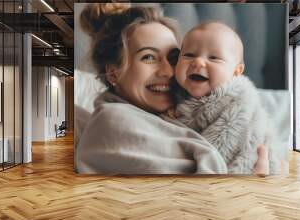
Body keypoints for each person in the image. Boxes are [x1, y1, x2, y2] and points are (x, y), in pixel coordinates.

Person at [76, 3, 228, 174]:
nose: (168, 71)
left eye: (173, 58)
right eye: (148, 57)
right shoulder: (113, 121)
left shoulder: (188, 113)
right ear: (113, 73)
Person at [172, 22, 283, 175]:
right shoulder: (172, 96)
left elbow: (220, 152)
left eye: (214, 57)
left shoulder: (238, 103)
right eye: (188, 55)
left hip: (246, 165)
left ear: (236, 72)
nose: (197, 62)